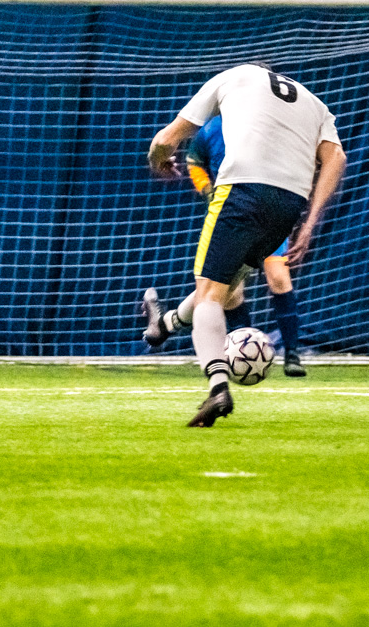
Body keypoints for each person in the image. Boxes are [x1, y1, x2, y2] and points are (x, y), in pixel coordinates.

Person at [142, 63, 345, 426]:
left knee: (209, 293)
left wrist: (158, 161)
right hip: (288, 204)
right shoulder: (314, 102)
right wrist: (310, 224)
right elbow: (336, 158)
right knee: (229, 283)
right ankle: (166, 324)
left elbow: (166, 140)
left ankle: (218, 387)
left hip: (241, 189)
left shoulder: (230, 77)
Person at [153, 115, 308, 377]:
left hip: (267, 213)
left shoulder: (272, 125)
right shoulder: (212, 128)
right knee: (227, 292)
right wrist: (208, 192)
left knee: (278, 276)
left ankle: (292, 354)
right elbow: (194, 161)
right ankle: (240, 351)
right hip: (231, 215)